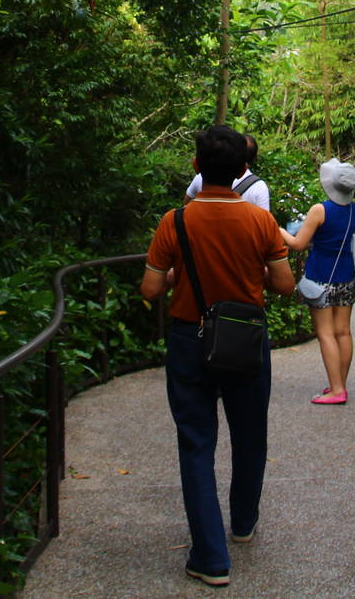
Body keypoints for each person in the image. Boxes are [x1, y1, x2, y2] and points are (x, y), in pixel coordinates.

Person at [141, 125, 294, 588]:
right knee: (250, 435)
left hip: (190, 339)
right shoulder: (260, 221)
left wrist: (175, 278)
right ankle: (243, 524)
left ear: (196, 167)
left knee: (196, 441)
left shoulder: (176, 221)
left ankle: (210, 556)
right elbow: (284, 284)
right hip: (246, 338)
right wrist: (251, 279)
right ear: (241, 170)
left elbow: (151, 288)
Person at [282, 158, 355, 406]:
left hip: (321, 278)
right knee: (343, 332)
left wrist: (277, 229)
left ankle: (337, 390)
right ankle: (340, 384)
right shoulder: (354, 209)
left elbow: (298, 244)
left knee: (326, 334)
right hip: (346, 277)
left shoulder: (321, 209)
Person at [185, 132, 270, 211]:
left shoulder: (203, 173)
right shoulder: (259, 187)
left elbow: (186, 203)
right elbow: (264, 224)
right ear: (243, 169)